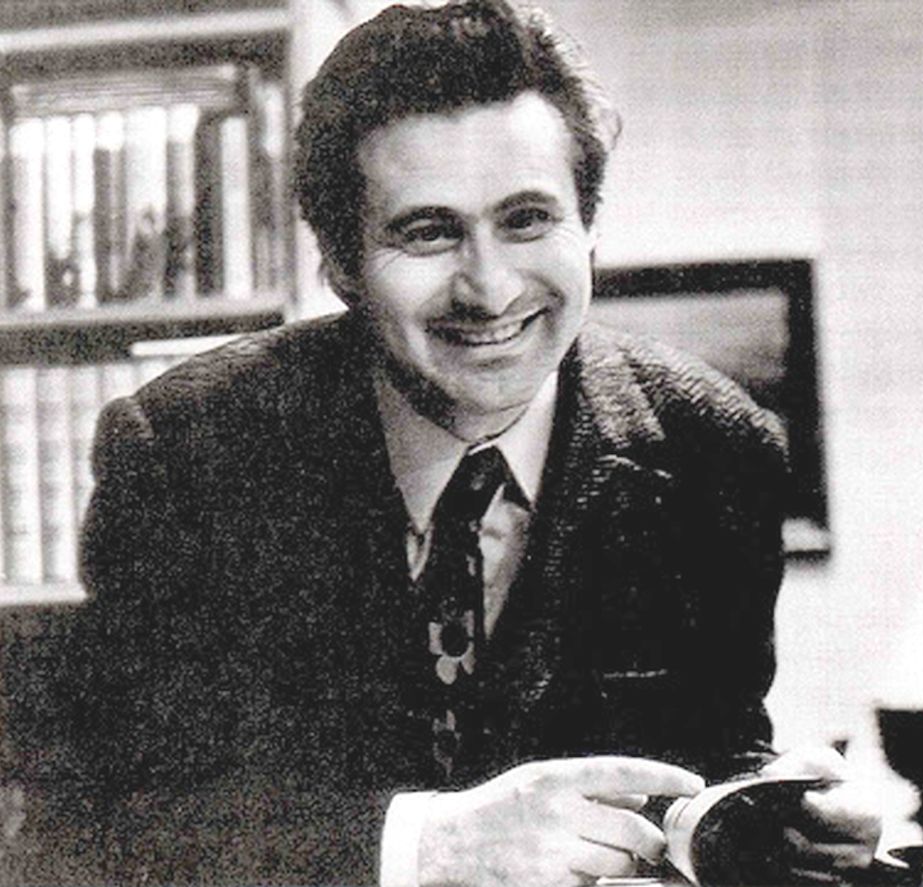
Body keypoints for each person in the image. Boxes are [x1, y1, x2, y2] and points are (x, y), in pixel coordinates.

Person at [23, 1, 879, 884]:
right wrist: (423, 844)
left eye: (528, 219)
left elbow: (708, 747)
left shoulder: (716, 448)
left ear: (589, 229)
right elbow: (85, 833)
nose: (491, 289)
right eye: (428, 231)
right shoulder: (188, 452)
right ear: (341, 265)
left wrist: (764, 816)